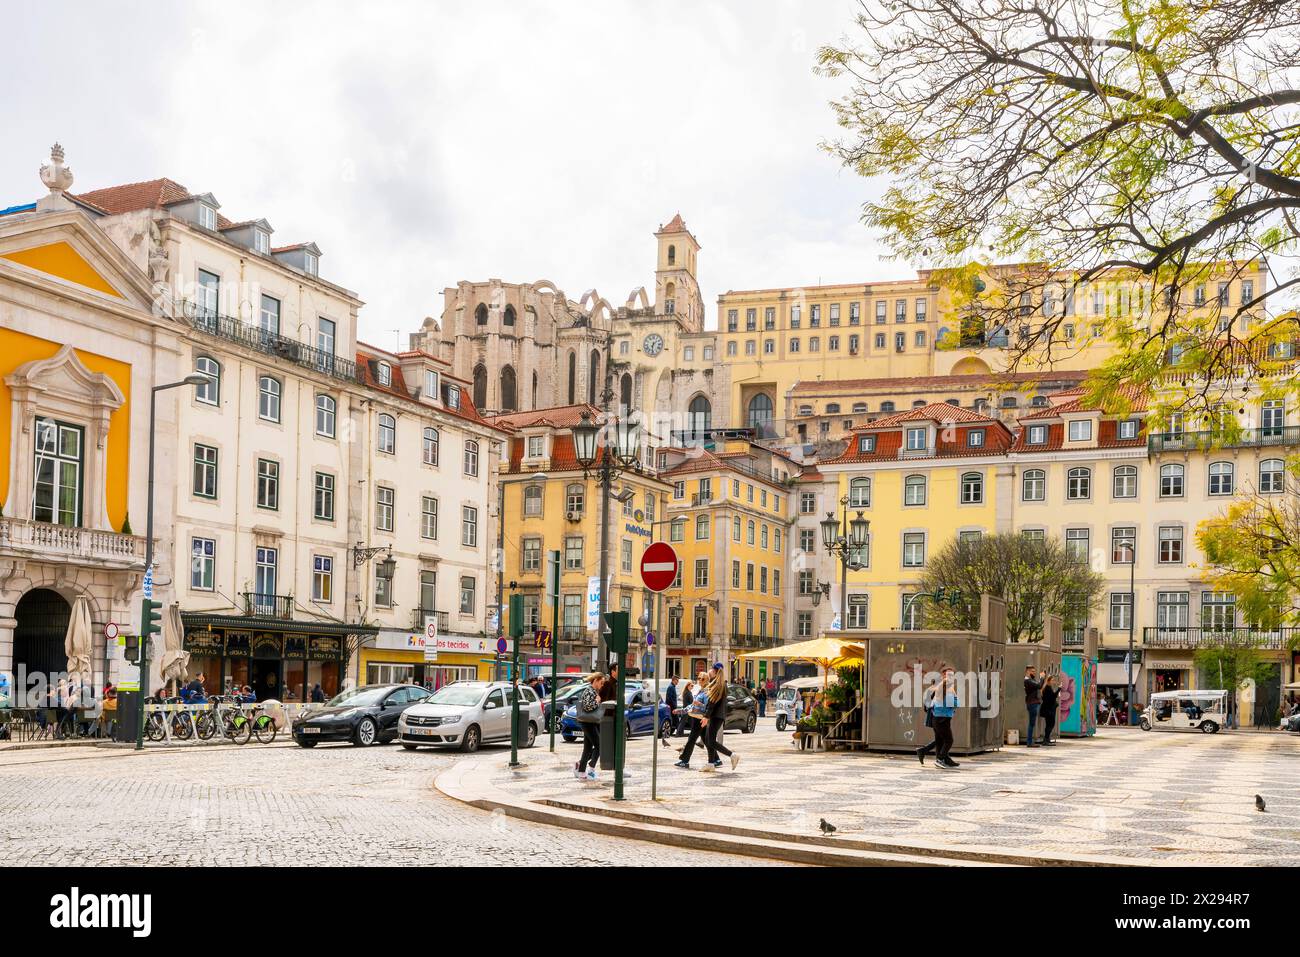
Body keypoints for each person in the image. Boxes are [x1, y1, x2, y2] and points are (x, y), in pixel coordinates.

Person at [702, 663, 739, 771]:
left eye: (711, 670)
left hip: (716, 716)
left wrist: (706, 717)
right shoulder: (720, 684)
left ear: (715, 672)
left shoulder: (718, 685)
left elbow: (712, 703)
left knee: (711, 741)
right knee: (709, 740)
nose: (709, 671)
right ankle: (710, 764)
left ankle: (732, 755)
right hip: (718, 716)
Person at [674, 671, 712, 768]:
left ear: (707, 680)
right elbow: (692, 705)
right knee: (707, 741)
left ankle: (685, 760)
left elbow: (707, 707)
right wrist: (681, 710)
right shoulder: (700, 690)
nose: (699, 680)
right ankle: (716, 759)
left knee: (691, 739)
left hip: (699, 719)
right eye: (699, 678)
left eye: (702, 679)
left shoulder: (707, 691)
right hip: (696, 718)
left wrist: (699, 704)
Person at [926, 667, 960, 770]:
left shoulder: (940, 686)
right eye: (950, 675)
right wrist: (956, 700)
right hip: (942, 719)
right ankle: (940, 759)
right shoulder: (947, 687)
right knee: (949, 740)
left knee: (940, 740)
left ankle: (944, 760)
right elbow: (953, 704)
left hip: (938, 718)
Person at [573, 673, 605, 781]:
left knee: (587, 747)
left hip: (590, 722)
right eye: (601, 683)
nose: (602, 685)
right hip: (588, 722)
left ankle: (581, 769)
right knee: (599, 745)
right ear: (595, 680)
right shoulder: (589, 690)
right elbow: (587, 707)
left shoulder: (593, 691)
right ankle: (591, 768)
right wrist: (597, 701)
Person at [1023, 666, 1044, 747]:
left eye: (1034, 671)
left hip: (1033, 703)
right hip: (1032, 704)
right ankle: (1029, 742)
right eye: (1032, 671)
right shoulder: (1027, 681)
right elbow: (1039, 686)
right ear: (1027, 671)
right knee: (1031, 724)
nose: (1034, 673)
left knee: (1032, 723)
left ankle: (1030, 741)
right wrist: (1042, 678)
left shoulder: (1030, 680)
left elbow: (1038, 685)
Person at [1040, 675, 1060, 745]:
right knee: (1050, 724)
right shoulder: (1047, 688)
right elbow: (1052, 697)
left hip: (1048, 709)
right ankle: (1046, 740)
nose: (1053, 682)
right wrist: (1059, 689)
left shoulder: (1047, 688)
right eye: (1052, 680)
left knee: (1049, 724)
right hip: (1048, 710)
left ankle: (1047, 739)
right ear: (1048, 681)